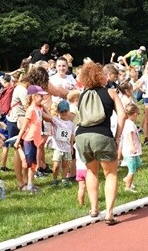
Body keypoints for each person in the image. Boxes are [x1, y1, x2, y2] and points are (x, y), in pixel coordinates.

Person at [75, 61, 126, 224]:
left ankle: (94, 208)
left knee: (91, 171)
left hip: (82, 136)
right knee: (110, 173)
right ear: (100, 76)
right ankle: (109, 213)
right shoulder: (110, 92)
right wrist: (117, 137)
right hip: (102, 135)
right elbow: (122, 115)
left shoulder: (83, 95)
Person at [50, 100, 74, 185]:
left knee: (65, 164)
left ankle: (64, 179)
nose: (64, 113)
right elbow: (49, 116)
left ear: (68, 111)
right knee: (56, 165)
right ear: (59, 112)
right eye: (62, 111)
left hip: (67, 147)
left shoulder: (71, 124)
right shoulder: (56, 120)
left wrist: (71, 147)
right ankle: (54, 179)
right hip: (57, 147)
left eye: (65, 111)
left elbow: (71, 136)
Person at [120, 102, 142, 193]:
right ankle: (128, 186)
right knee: (132, 169)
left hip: (131, 151)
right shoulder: (130, 124)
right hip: (130, 151)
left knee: (137, 164)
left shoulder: (128, 123)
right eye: (138, 114)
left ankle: (128, 179)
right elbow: (130, 135)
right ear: (135, 114)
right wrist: (133, 146)